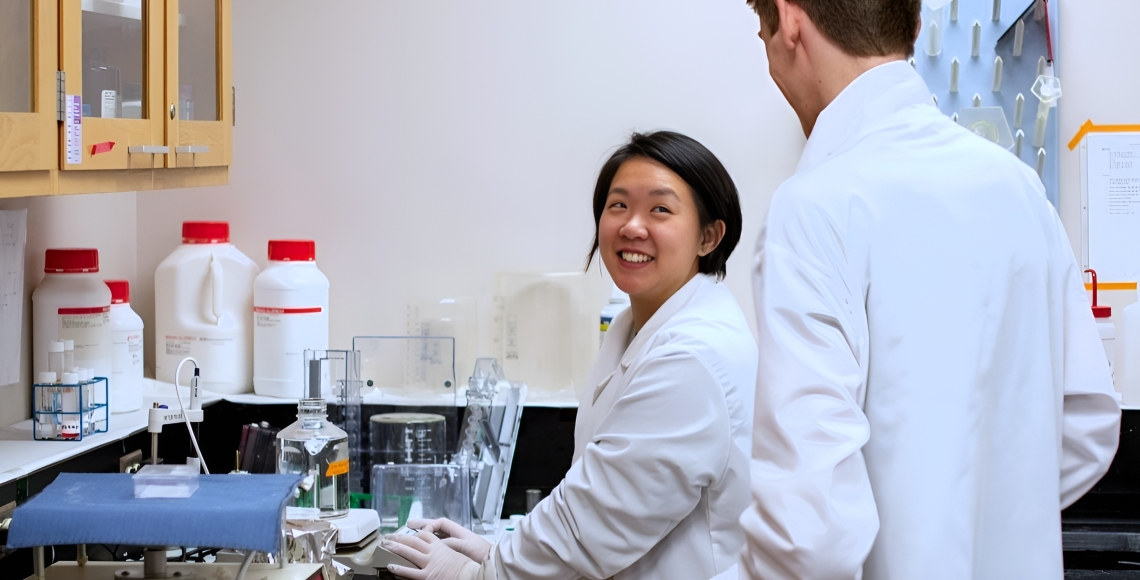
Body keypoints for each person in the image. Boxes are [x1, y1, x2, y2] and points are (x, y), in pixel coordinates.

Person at [737, 1, 1122, 578]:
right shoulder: (1016, 187)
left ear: (790, 20)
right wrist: (981, 519)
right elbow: (1088, 424)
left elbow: (809, 537)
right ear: (915, 27)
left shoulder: (815, 207)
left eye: (763, 31)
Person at [383, 130, 758, 579]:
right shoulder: (634, 328)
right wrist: (497, 551)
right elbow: (595, 497)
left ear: (709, 236)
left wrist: (483, 574)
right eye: (618, 205)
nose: (631, 226)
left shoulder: (693, 357)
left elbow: (599, 521)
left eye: (660, 209)